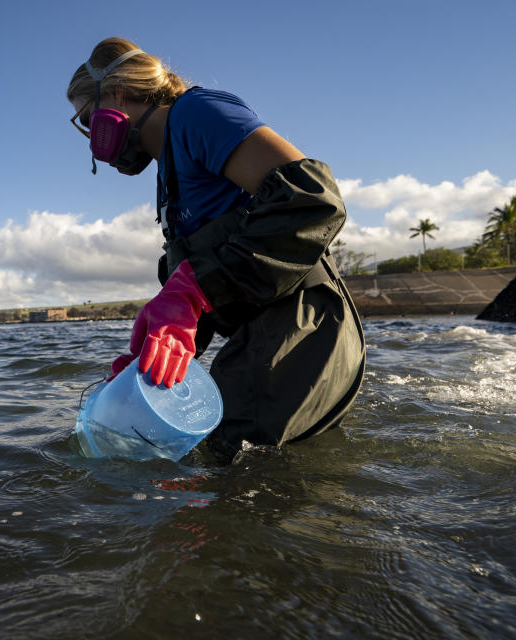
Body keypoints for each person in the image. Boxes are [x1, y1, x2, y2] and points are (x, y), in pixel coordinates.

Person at [67, 38, 366, 462]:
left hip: (304, 330)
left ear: (114, 93)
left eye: (87, 119)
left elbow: (312, 198)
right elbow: (217, 274)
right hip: (260, 335)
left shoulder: (196, 114)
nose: (90, 137)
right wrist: (157, 349)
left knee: (235, 474)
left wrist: (192, 291)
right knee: (214, 463)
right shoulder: (170, 173)